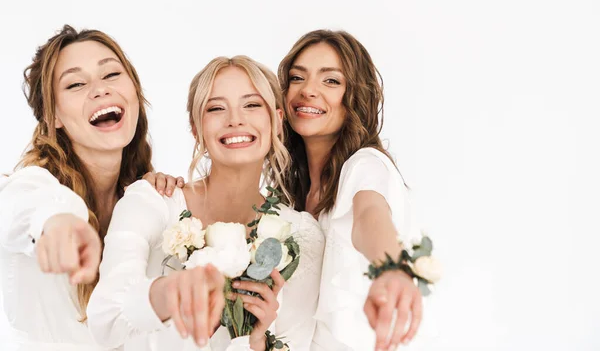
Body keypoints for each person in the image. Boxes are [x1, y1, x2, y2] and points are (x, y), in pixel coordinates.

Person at [87, 55, 324, 350]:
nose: (235, 119)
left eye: (251, 105)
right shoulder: (151, 202)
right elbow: (105, 320)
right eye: (216, 108)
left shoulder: (302, 235)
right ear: (196, 128)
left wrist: (258, 341)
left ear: (277, 121)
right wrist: (173, 291)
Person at [0, 25, 183, 350]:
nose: (99, 90)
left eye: (111, 74)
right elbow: (23, 202)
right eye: (76, 83)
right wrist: (57, 222)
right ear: (52, 114)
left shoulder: (146, 200)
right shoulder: (29, 186)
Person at [278, 30, 424, 351]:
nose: (308, 91)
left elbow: (371, 216)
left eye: (331, 81)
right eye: (297, 77)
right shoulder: (290, 189)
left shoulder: (365, 165)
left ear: (356, 95)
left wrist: (391, 269)